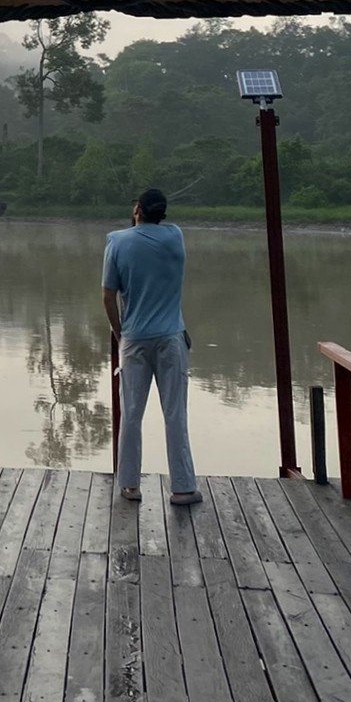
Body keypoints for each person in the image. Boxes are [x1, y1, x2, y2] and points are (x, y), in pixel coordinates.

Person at [101, 188, 200, 506]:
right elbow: (150, 232)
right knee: (175, 414)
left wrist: (119, 334)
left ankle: (130, 485)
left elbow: (108, 295)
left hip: (133, 340)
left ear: (138, 210)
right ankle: (183, 487)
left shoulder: (117, 241)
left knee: (131, 413)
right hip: (171, 338)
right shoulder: (175, 236)